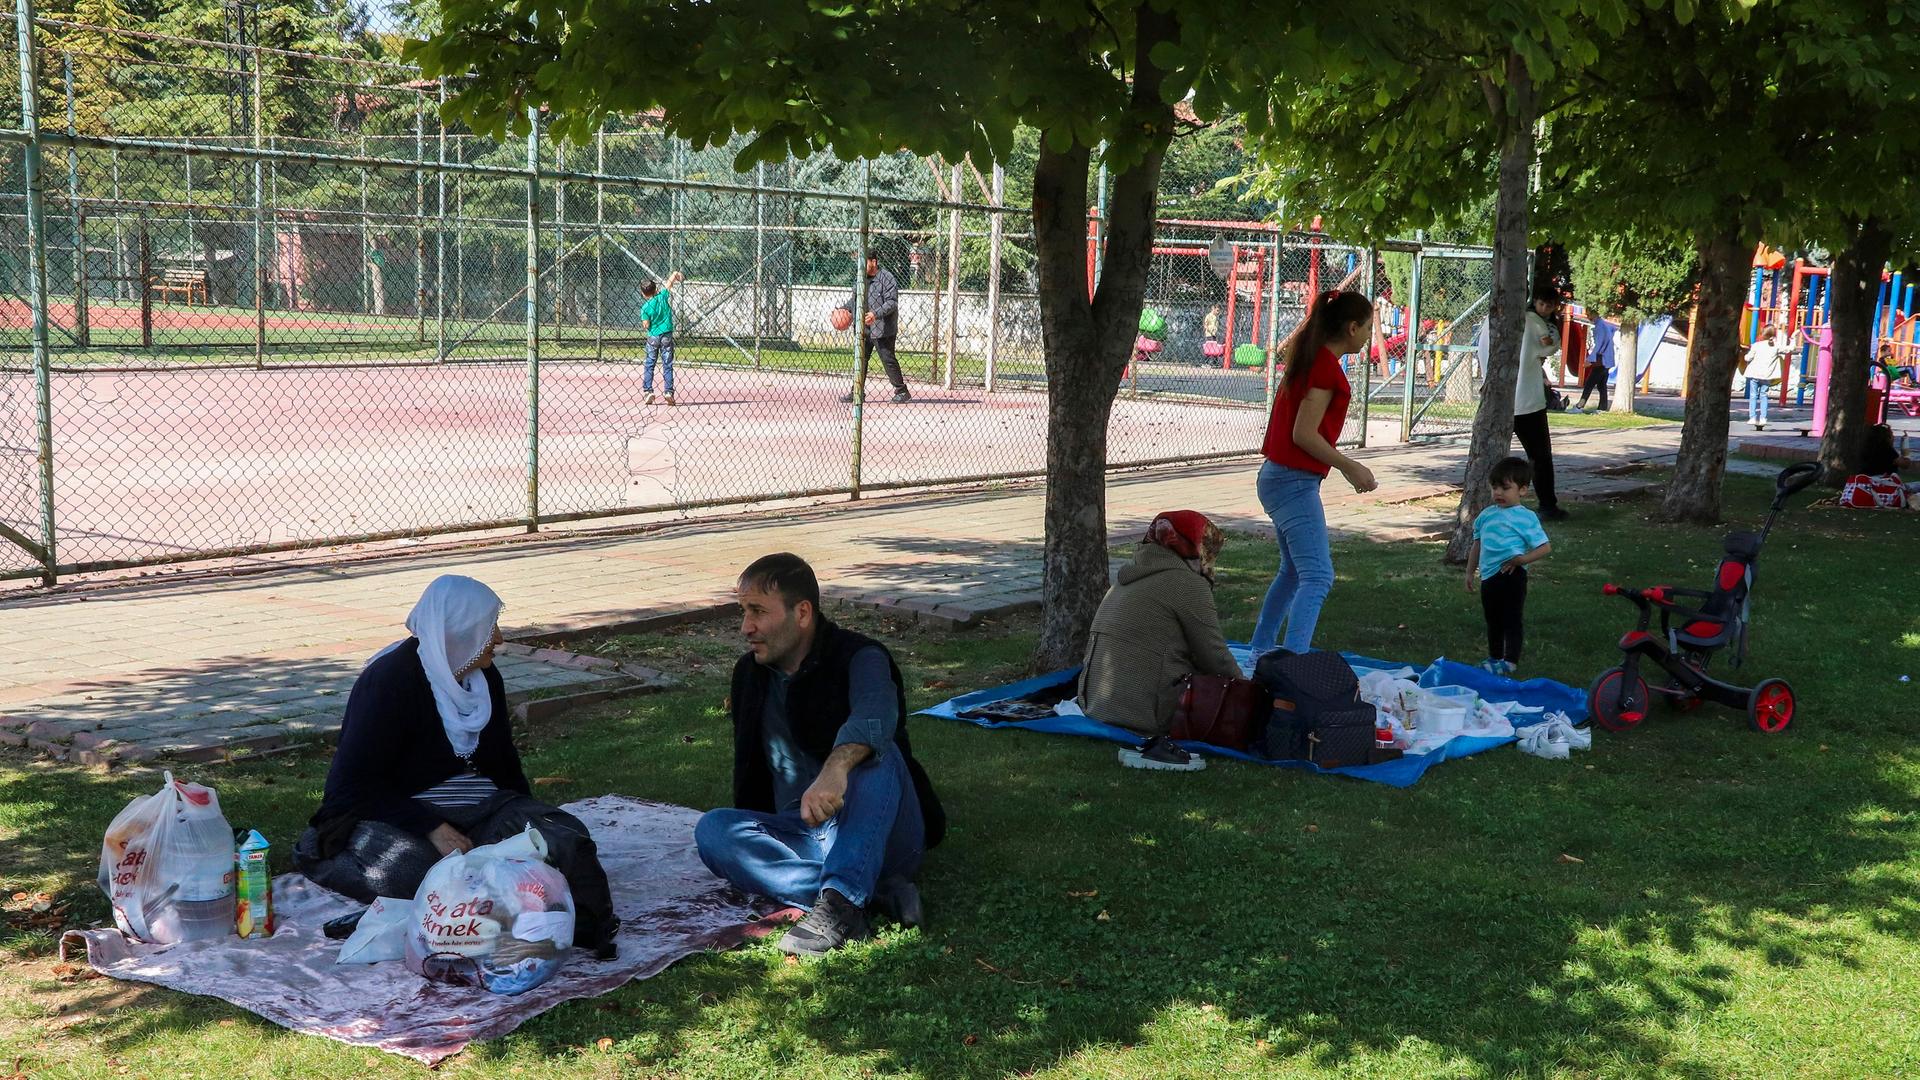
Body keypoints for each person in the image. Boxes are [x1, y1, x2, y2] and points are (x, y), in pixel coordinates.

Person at [295, 575, 620, 958]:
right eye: (488, 628)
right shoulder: (389, 681)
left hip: (477, 806)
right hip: (396, 814)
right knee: (421, 870)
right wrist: (430, 826)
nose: (498, 638)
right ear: (456, 632)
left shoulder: (483, 679)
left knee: (560, 835)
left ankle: (580, 926)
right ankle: (324, 860)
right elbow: (350, 786)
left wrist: (526, 825)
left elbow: (502, 763)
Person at [694, 553, 945, 957]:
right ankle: (868, 893)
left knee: (879, 754)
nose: (747, 627)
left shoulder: (860, 656)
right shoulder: (749, 674)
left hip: (883, 827)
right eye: (744, 612)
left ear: (803, 612)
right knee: (713, 829)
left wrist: (836, 768)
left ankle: (841, 904)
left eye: (757, 611)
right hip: (804, 834)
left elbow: (875, 716)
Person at [1249, 290, 1378, 656]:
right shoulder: (1323, 369)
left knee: (1293, 572)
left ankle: (1260, 651)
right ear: (1352, 328)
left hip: (1282, 478)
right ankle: (1292, 668)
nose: (1369, 334)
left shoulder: (1314, 360)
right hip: (1291, 481)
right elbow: (1303, 435)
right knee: (1318, 576)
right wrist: (1350, 466)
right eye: (1368, 327)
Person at [1077, 511, 1241, 737]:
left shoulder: (1130, 574)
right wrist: (1250, 691)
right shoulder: (1188, 584)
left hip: (1096, 705)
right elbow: (1215, 657)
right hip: (1146, 715)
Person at [1465, 457, 1553, 676]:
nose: (1498, 493)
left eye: (1505, 488)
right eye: (1495, 487)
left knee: (1512, 618)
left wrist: (1521, 560)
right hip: (1489, 577)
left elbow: (1545, 547)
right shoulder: (1486, 516)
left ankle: (1511, 660)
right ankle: (1494, 657)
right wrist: (1470, 571)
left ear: (1522, 490)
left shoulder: (1526, 517)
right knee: (1492, 619)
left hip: (1513, 576)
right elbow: (1477, 544)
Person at [1511, 286, 1570, 521]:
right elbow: (1549, 346)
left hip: (1501, 398)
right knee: (1540, 456)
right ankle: (1547, 505)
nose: (1545, 308)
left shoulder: (1494, 319)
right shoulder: (1537, 324)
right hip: (1527, 401)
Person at [836, 254, 908, 403]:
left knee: (887, 359)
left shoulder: (886, 278)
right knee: (860, 359)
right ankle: (857, 392)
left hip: (883, 328)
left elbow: (892, 302)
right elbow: (855, 300)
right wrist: (843, 310)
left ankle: (902, 391)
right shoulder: (860, 278)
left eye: (864, 262)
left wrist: (876, 314)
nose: (860, 265)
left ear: (874, 261)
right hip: (863, 328)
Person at [640, 271, 683, 405]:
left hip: (653, 336)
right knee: (667, 364)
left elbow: (646, 325)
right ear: (656, 289)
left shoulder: (645, 307)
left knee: (650, 363)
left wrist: (650, 324)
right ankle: (668, 391)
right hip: (667, 335)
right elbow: (669, 284)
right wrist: (675, 274)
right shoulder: (662, 297)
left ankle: (648, 391)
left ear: (643, 294)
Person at [1741, 325, 1791, 430]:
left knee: (1753, 395)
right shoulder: (1776, 346)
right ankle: (1763, 418)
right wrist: (1793, 341)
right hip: (1767, 376)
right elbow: (1788, 349)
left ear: (1763, 334)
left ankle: (1752, 418)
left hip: (1754, 374)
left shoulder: (1756, 345)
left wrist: (1744, 355)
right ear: (1774, 335)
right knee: (1764, 396)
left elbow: (1747, 358)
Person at [1575, 316, 1616, 413]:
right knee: (1602, 386)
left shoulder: (1600, 327)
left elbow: (1599, 345)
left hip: (1601, 360)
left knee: (1589, 383)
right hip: (1606, 360)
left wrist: (1590, 359)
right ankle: (1602, 407)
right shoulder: (1604, 326)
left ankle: (1580, 406)